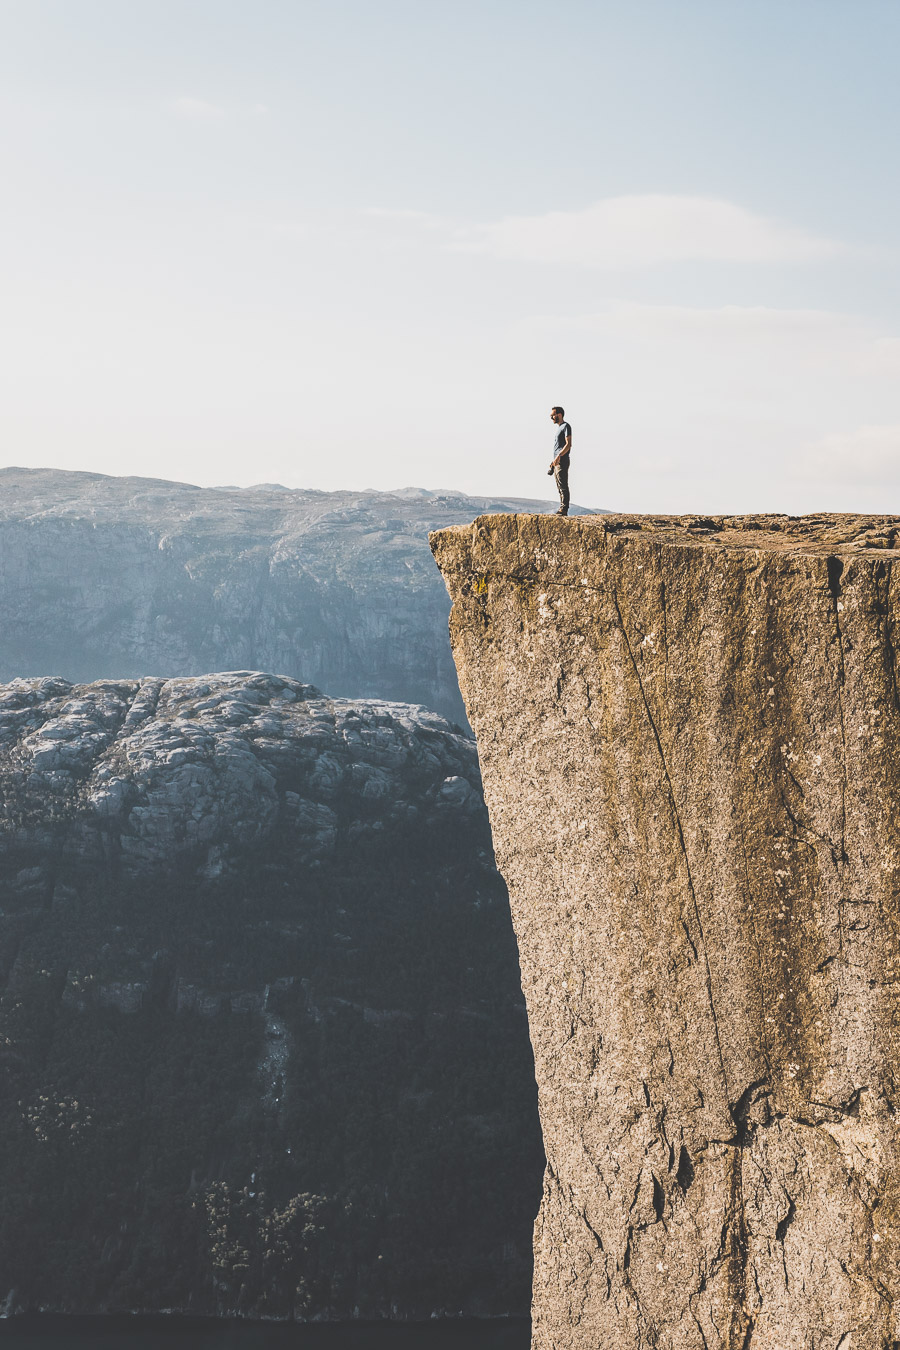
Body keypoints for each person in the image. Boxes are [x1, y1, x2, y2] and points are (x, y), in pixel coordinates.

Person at [547, 406, 572, 515]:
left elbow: (568, 444)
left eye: (553, 415)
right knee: (559, 486)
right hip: (557, 461)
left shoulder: (566, 426)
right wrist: (554, 461)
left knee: (563, 485)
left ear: (559, 414)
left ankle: (564, 508)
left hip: (562, 460)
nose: (551, 417)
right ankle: (562, 508)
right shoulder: (559, 428)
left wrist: (559, 456)